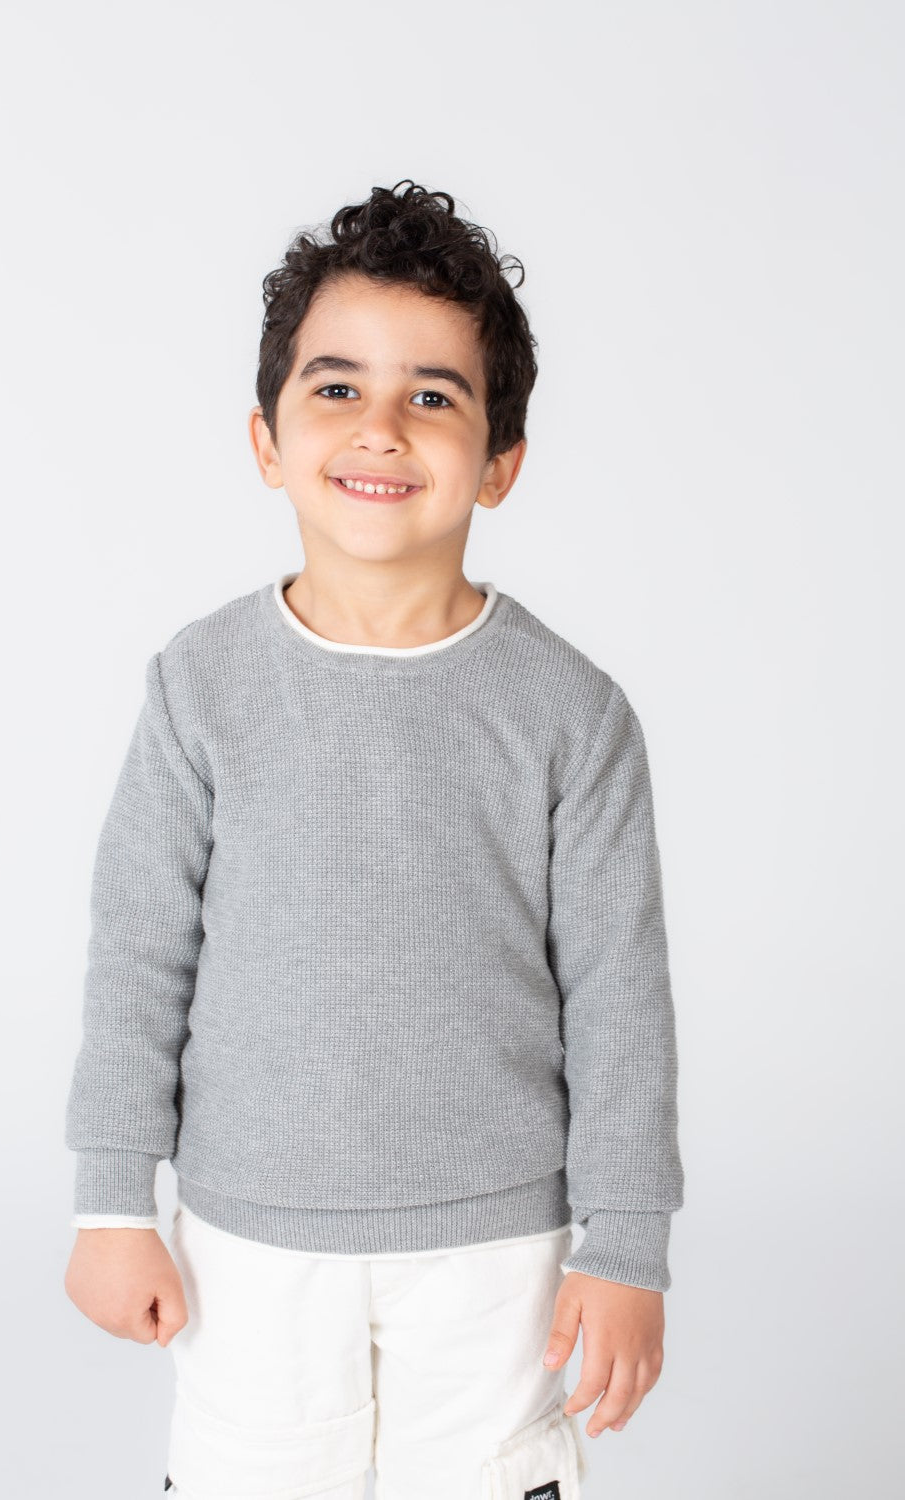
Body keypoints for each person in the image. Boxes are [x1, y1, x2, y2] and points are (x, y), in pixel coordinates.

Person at [63, 178, 685, 1500]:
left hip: (496, 1252)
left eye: (434, 396)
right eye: (337, 387)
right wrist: (113, 1202)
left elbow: (620, 1001)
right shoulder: (200, 686)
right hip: (251, 1240)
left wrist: (627, 1247)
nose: (381, 429)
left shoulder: (572, 715)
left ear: (500, 462)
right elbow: (138, 956)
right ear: (267, 438)